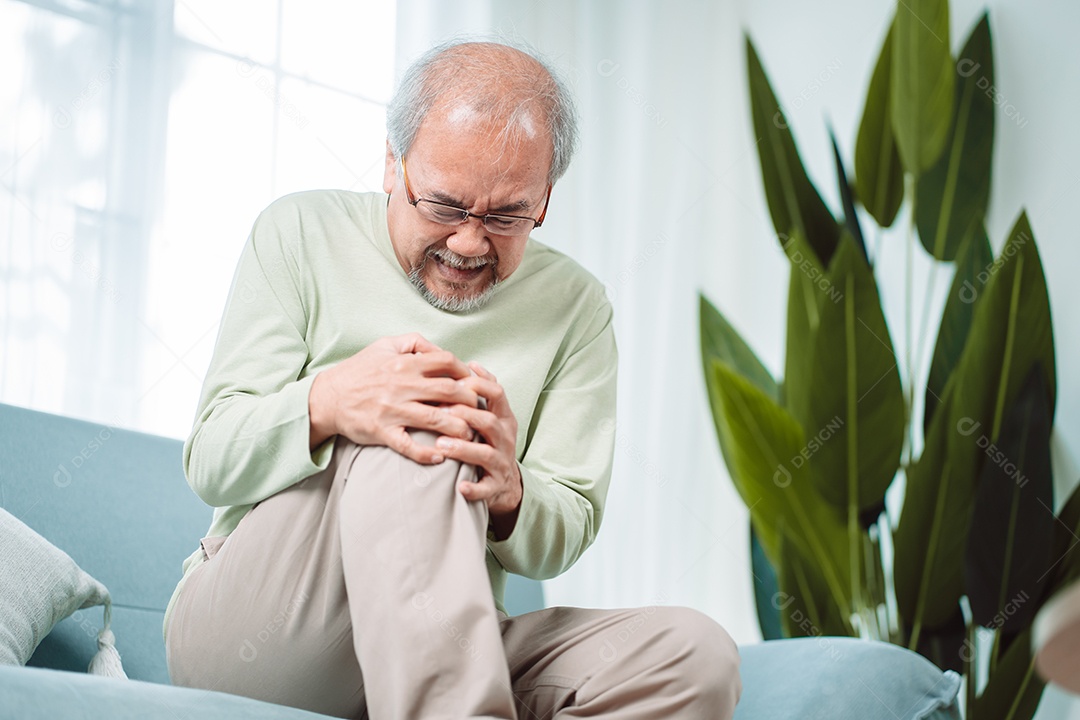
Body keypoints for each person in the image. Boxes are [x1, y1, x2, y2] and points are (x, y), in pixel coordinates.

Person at [164, 39, 741, 719]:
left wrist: (510, 494)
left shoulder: (577, 308)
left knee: (694, 656)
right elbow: (213, 457)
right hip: (264, 631)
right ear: (391, 164)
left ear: (545, 200)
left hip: (445, 642)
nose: (469, 243)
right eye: (443, 205)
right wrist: (333, 403)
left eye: (505, 216)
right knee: (432, 418)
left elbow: (569, 522)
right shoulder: (300, 231)